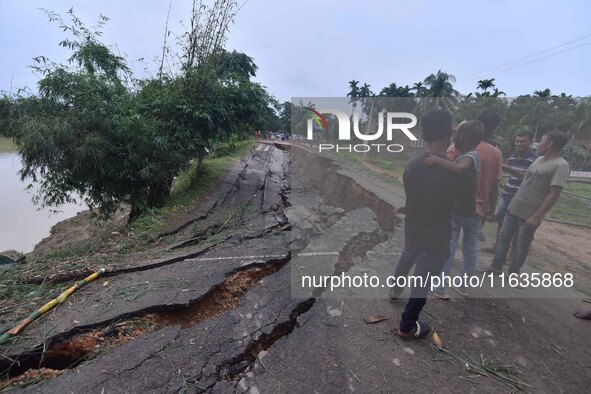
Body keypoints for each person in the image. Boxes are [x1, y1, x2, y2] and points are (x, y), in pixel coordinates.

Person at [391, 110, 472, 340]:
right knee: (422, 279)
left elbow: (412, 198)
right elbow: (463, 209)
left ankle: (395, 290)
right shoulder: (457, 173)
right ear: (448, 134)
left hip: (414, 226)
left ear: (425, 134)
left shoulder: (412, 165)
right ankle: (406, 327)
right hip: (438, 234)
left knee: (408, 254)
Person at [486, 132, 570, 274]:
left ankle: (514, 271)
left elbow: (554, 193)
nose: (538, 144)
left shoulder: (561, 165)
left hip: (530, 212)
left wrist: (537, 216)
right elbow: (528, 177)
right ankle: (496, 266)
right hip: (515, 206)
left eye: (541, 141)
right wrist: (511, 170)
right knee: (503, 236)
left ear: (550, 144)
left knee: (521, 244)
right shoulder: (539, 160)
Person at [425, 120, 484, 299]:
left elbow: (458, 169)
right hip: (473, 210)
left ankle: (440, 287)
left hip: (460, 210)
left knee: (449, 247)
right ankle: (463, 285)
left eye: (457, 133)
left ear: (462, 136)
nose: (454, 136)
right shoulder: (468, 154)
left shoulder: (471, 157)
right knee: (470, 248)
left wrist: (437, 160)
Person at [482, 131, 538, 254]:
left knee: (515, 227)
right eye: (517, 141)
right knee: (501, 223)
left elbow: (530, 178)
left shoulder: (534, 159)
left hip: (520, 198)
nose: (519, 144)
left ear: (530, 143)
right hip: (507, 194)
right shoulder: (513, 156)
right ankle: (498, 247)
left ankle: (512, 254)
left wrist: (510, 169)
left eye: (523, 141)